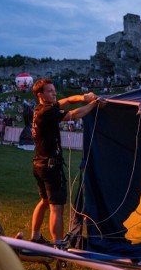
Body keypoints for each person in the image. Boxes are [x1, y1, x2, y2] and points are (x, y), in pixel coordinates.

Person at [29, 78, 99, 245]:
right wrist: (94, 104)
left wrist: (84, 97)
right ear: (41, 95)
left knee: (45, 201)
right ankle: (59, 246)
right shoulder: (47, 112)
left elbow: (67, 101)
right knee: (56, 207)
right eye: (50, 91)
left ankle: (36, 237)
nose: (54, 93)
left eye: (54, 90)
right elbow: (74, 115)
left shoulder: (40, 109)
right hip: (51, 165)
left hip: (39, 164)